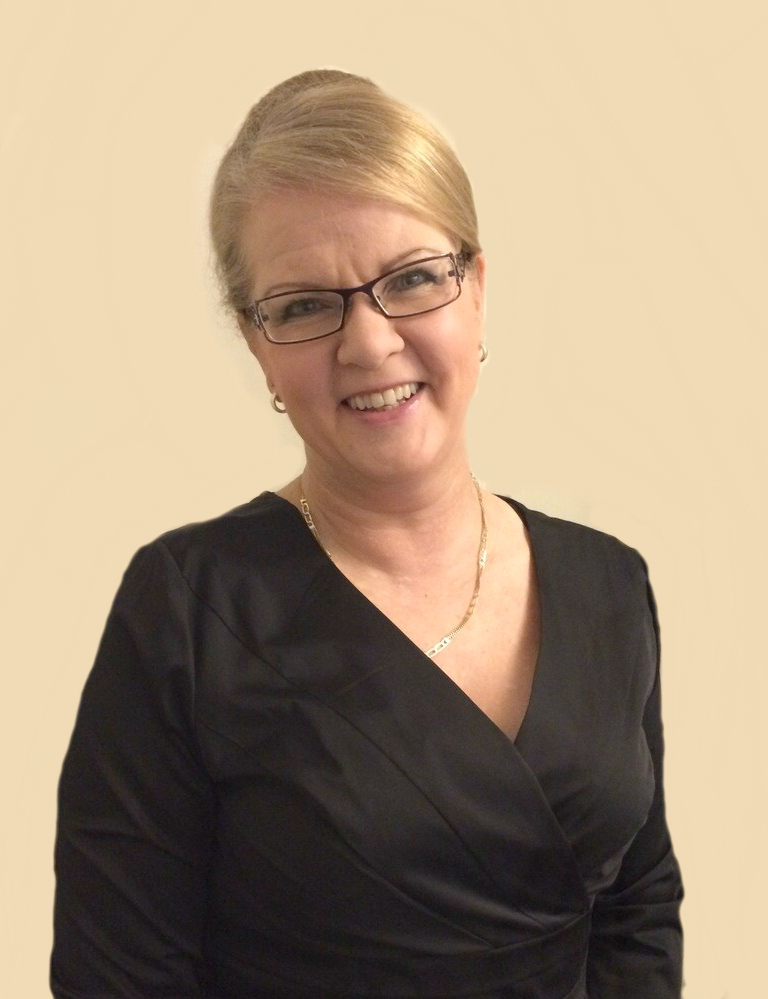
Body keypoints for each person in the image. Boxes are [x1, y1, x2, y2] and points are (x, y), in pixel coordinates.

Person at [51, 69, 683, 999]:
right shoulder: (187, 609)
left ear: (477, 290)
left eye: (413, 279)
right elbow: (119, 980)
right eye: (305, 305)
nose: (370, 342)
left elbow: (638, 907)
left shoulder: (609, 582)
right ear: (256, 343)